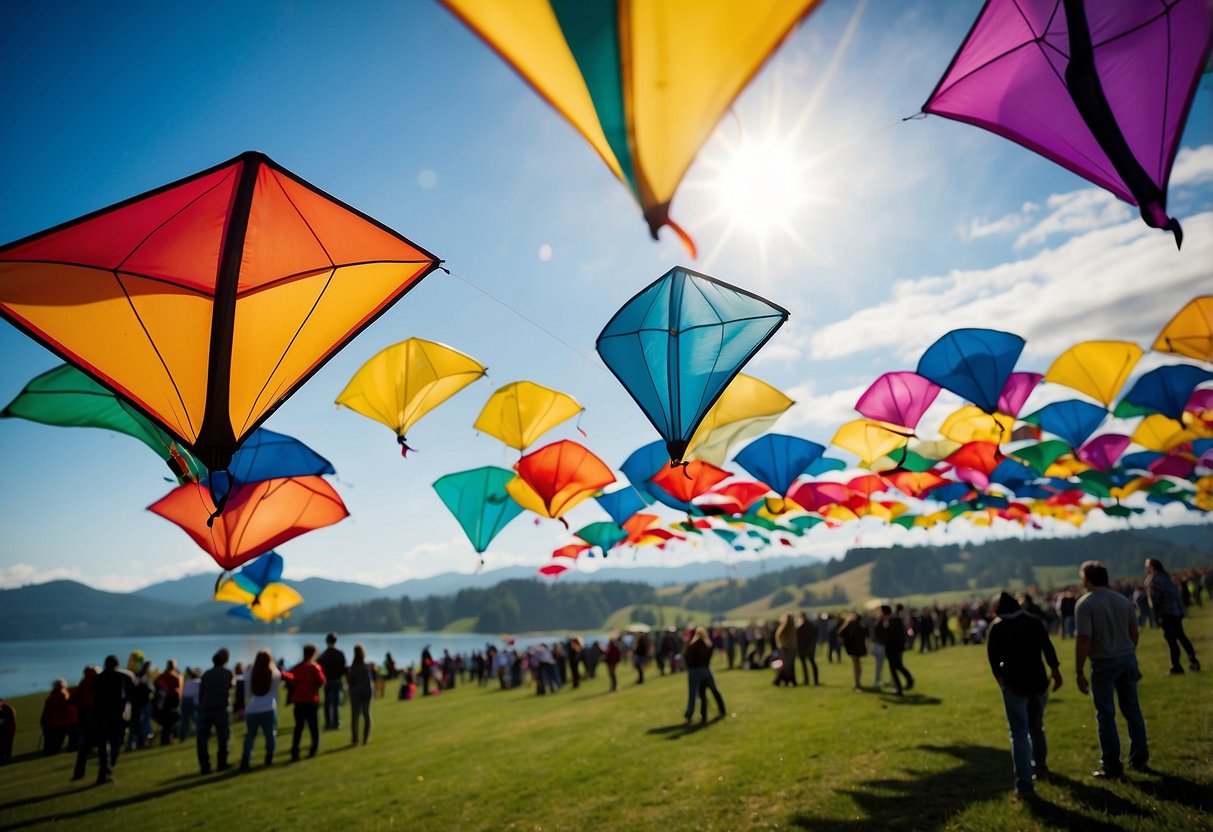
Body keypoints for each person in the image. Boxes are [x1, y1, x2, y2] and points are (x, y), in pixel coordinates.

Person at [1075, 560, 1149, 779]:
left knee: (1106, 715)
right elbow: (1134, 632)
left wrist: (1079, 670)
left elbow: (1084, 639)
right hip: (1127, 657)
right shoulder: (1123, 600)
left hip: (1103, 662)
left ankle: (1112, 766)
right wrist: (1127, 651)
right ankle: (1139, 756)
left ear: (1087, 579)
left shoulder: (1086, 604)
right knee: (1133, 710)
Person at [987, 592, 1063, 799]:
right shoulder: (1033, 621)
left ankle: (1025, 786)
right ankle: (1041, 766)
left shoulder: (998, 626)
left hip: (1015, 685)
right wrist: (1055, 671)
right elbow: (1047, 647)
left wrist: (1002, 679)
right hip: (1038, 682)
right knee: (1037, 727)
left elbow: (995, 660)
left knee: (1019, 735)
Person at [1145, 557, 1200, 674]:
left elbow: (1156, 600)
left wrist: (1156, 616)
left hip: (1167, 614)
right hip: (1176, 612)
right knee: (1181, 636)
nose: (1146, 568)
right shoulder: (1166, 577)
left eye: (1147, 565)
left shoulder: (1155, 580)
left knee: (1171, 640)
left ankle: (1176, 666)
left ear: (1152, 567)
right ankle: (1193, 661)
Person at [241, 649, 288, 771]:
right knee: (270, 735)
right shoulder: (275, 674)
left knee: (250, 736)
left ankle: (245, 759)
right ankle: (269, 757)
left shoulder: (249, 674)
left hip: (252, 708)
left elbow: (247, 693)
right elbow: (276, 691)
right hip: (269, 707)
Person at [89, 655, 134, 784]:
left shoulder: (99, 678)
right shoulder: (121, 677)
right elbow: (124, 697)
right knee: (116, 743)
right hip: (116, 717)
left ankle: (104, 770)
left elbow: (95, 699)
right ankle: (108, 769)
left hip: (101, 716)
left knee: (104, 745)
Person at [197, 648, 233, 774]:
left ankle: (204, 765)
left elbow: (201, 694)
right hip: (221, 710)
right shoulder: (227, 673)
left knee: (202, 740)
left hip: (206, 709)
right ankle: (221, 763)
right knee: (223, 738)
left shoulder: (206, 674)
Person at [289, 643, 326, 762]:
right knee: (313, 726)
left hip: (299, 701)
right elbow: (322, 681)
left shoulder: (297, 668)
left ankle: (295, 750)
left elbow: (290, 680)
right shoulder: (315, 668)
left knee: (299, 727)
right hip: (311, 701)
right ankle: (313, 748)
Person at [684, 627, 726, 722]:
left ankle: (691, 714)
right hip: (705, 670)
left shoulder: (691, 646)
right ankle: (722, 710)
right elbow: (709, 656)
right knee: (714, 691)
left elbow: (686, 657)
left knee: (694, 694)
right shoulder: (707, 645)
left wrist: (690, 666)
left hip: (694, 671)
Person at [878, 605, 913, 696]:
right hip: (895, 647)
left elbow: (884, 635)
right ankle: (903, 685)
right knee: (896, 667)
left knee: (896, 667)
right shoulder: (894, 620)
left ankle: (903, 685)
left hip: (893, 648)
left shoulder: (889, 621)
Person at [317, 632, 347, 730]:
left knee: (327, 703)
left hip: (327, 681)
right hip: (337, 680)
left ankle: (328, 723)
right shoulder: (340, 654)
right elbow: (343, 669)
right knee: (335, 703)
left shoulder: (323, 655)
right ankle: (335, 723)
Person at [347, 644, 374, 746]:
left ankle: (355, 739)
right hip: (366, 694)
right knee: (367, 715)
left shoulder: (352, 668)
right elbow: (369, 682)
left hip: (355, 694)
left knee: (355, 717)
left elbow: (350, 683)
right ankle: (365, 739)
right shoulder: (365, 667)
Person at [40, 679, 76, 754]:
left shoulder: (52, 698)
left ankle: (50, 750)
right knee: (58, 741)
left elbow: (47, 711)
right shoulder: (67, 695)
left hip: (58, 723)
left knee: (55, 741)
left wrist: (43, 721)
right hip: (65, 722)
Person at [154, 659, 182, 745]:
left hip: (163, 702)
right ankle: (167, 740)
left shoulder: (162, 676)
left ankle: (166, 739)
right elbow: (177, 689)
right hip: (170, 701)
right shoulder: (175, 676)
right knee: (169, 722)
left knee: (167, 723)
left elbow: (156, 684)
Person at [837, 612, 867, 691]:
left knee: (856, 665)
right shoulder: (860, 624)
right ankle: (858, 682)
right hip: (859, 647)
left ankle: (857, 683)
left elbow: (840, 633)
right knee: (858, 664)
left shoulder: (850, 623)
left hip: (853, 647)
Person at [773, 613, 798, 686]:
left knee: (788, 666)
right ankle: (786, 680)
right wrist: (783, 645)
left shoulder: (791, 627)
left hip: (789, 649)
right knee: (787, 666)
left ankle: (788, 680)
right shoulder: (786, 627)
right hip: (787, 649)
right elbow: (779, 636)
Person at [796, 611, 819, 686]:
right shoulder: (803, 625)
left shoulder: (808, 625)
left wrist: (811, 647)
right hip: (803, 647)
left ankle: (812, 680)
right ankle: (808, 680)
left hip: (807, 647)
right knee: (807, 663)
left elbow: (813, 637)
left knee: (810, 662)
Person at [0, 699, 14, 764]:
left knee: (5, 745)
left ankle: (5, 759)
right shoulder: (7, 706)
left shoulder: (5, 708)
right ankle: (7, 758)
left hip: (7, 729)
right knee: (8, 745)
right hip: (10, 728)